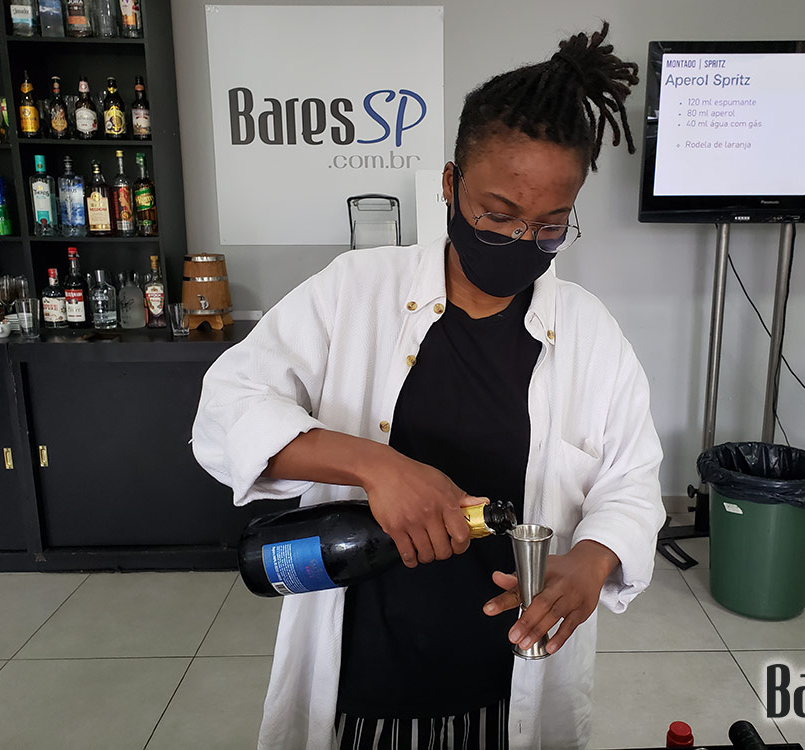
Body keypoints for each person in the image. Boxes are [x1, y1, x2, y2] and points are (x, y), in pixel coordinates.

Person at [192, 21, 665, 750]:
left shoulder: (590, 333)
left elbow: (631, 481)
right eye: (498, 216)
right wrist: (375, 466)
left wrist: (593, 559)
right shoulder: (355, 291)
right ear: (449, 184)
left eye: (551, 226)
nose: (521, 242)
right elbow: (224, 415)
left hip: (507, 670)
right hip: (368, 665)